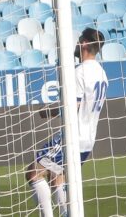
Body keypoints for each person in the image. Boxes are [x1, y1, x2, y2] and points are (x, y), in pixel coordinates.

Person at [26, 28, 109, 217]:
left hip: (74, 137)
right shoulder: (102, 74)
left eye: (79, 40)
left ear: (85, 43)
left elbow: (74, 106)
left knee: (33, 173)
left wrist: (48, 111)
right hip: (88, 138)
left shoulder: (80, 72)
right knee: (58, 178)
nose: (77, 43)